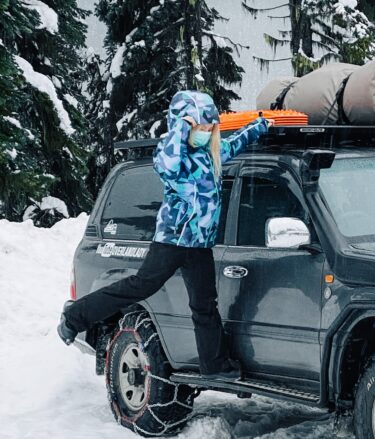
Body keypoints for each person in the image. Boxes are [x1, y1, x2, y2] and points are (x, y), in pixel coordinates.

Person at [58, 90, 271, 381]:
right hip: (171, 241)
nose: (205, 133)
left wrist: (259, 126)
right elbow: (170, 161)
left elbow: (235, 143)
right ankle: (73, 318)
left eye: (210, 129)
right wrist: (183, 125)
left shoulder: (211, 156)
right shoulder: (171, 158)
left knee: (204, 305)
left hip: (199, 246)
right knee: (139, 286)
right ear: (183, 128)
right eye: (199, 129)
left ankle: (215, 366)